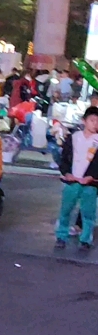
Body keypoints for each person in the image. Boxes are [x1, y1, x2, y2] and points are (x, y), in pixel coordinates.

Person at [56, 107, 98, 250]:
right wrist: (67, 173)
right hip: (72, 181)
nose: (95, 124)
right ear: (84, 121)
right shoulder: (74, 138)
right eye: (92, 120)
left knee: (88, 213)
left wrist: (91, 176)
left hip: (90, 184)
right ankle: (61, 236)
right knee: (66, 210)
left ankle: (85, 239)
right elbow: (64, 158)